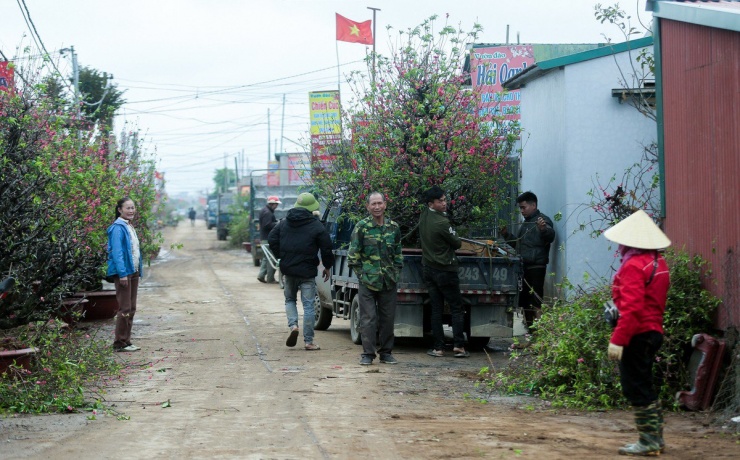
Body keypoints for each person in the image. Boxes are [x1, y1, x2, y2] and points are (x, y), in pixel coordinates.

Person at [604, 210, 671, 456]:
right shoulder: (658, 263)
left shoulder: (632, 265)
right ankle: (655, 439)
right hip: (653, 331)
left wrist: (617, 340)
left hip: (637, 333)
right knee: (644, 384)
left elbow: (631, 310)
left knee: (635, 386)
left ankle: (649, 441)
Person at [268, 193, 334, 351]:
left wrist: (281, 256)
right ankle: (309, 341)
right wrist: (327, 266)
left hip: (288, 270)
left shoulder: (284, 223)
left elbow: (272, 239)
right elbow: (326, 247)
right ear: (312, 208)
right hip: (307, 272)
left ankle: (293, 326)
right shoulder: (317, 226)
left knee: (290, 300)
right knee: (309, 305)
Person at [348, 192, 403, 365]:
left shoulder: (393, 227)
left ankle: (386, 353)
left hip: (388, 282)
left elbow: (398, 255)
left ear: (385, 205)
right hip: (368, 283)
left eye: (380, 203)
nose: (377, 207)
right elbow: (353, 256)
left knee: (388, 319)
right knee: (368, 319)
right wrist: (362, 276)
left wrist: (395, 273)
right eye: (373, 204)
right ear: (368, 207)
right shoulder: (362, 227)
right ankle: (368, 354)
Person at [419, 185, 469, 358]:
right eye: (440, 201)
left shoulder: (424, 216)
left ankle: (438, 348)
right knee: (456, 307)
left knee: (436, 308)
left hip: (428, 268)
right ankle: (459, 346)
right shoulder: (442, 223)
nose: (444, 203)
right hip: (445, 270)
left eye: (445, 200)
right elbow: (457, 243)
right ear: (431, 204)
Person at [501, 191, 555, 335]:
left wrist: (543, 229)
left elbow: (550, 236)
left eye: (523, 207)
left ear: (533, 205)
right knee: (525, 302)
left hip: (536, 267)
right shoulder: (525, 224)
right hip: (523, 267)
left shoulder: (542, 221)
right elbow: (518, 245)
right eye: (520, 208)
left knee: (536, 301)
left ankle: (540, 335)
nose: (522, 211)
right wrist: (506, 235)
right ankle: (531, 333)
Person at [106, 197, 144, 352]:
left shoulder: (129, 226)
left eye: (133, 207)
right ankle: (120, 343)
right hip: (124, 273)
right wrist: (122, 274)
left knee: (132, 307)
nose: (131, 211)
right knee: (125, 308)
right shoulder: (117, 228)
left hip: (133, 271)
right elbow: (117, 252)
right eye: (128, 208)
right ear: (119, 210)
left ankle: (127, 341)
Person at [257, 196, 281, 284]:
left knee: (266, 258)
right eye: (276, 204)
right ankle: (270, 278)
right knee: (272, 258)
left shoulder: (265, 211)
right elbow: (267, 225)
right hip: (268, 239)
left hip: (264, 238)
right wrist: (278, 224)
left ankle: (261, 275)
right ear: (272, 204)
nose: (277, 206)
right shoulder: (267, 213)